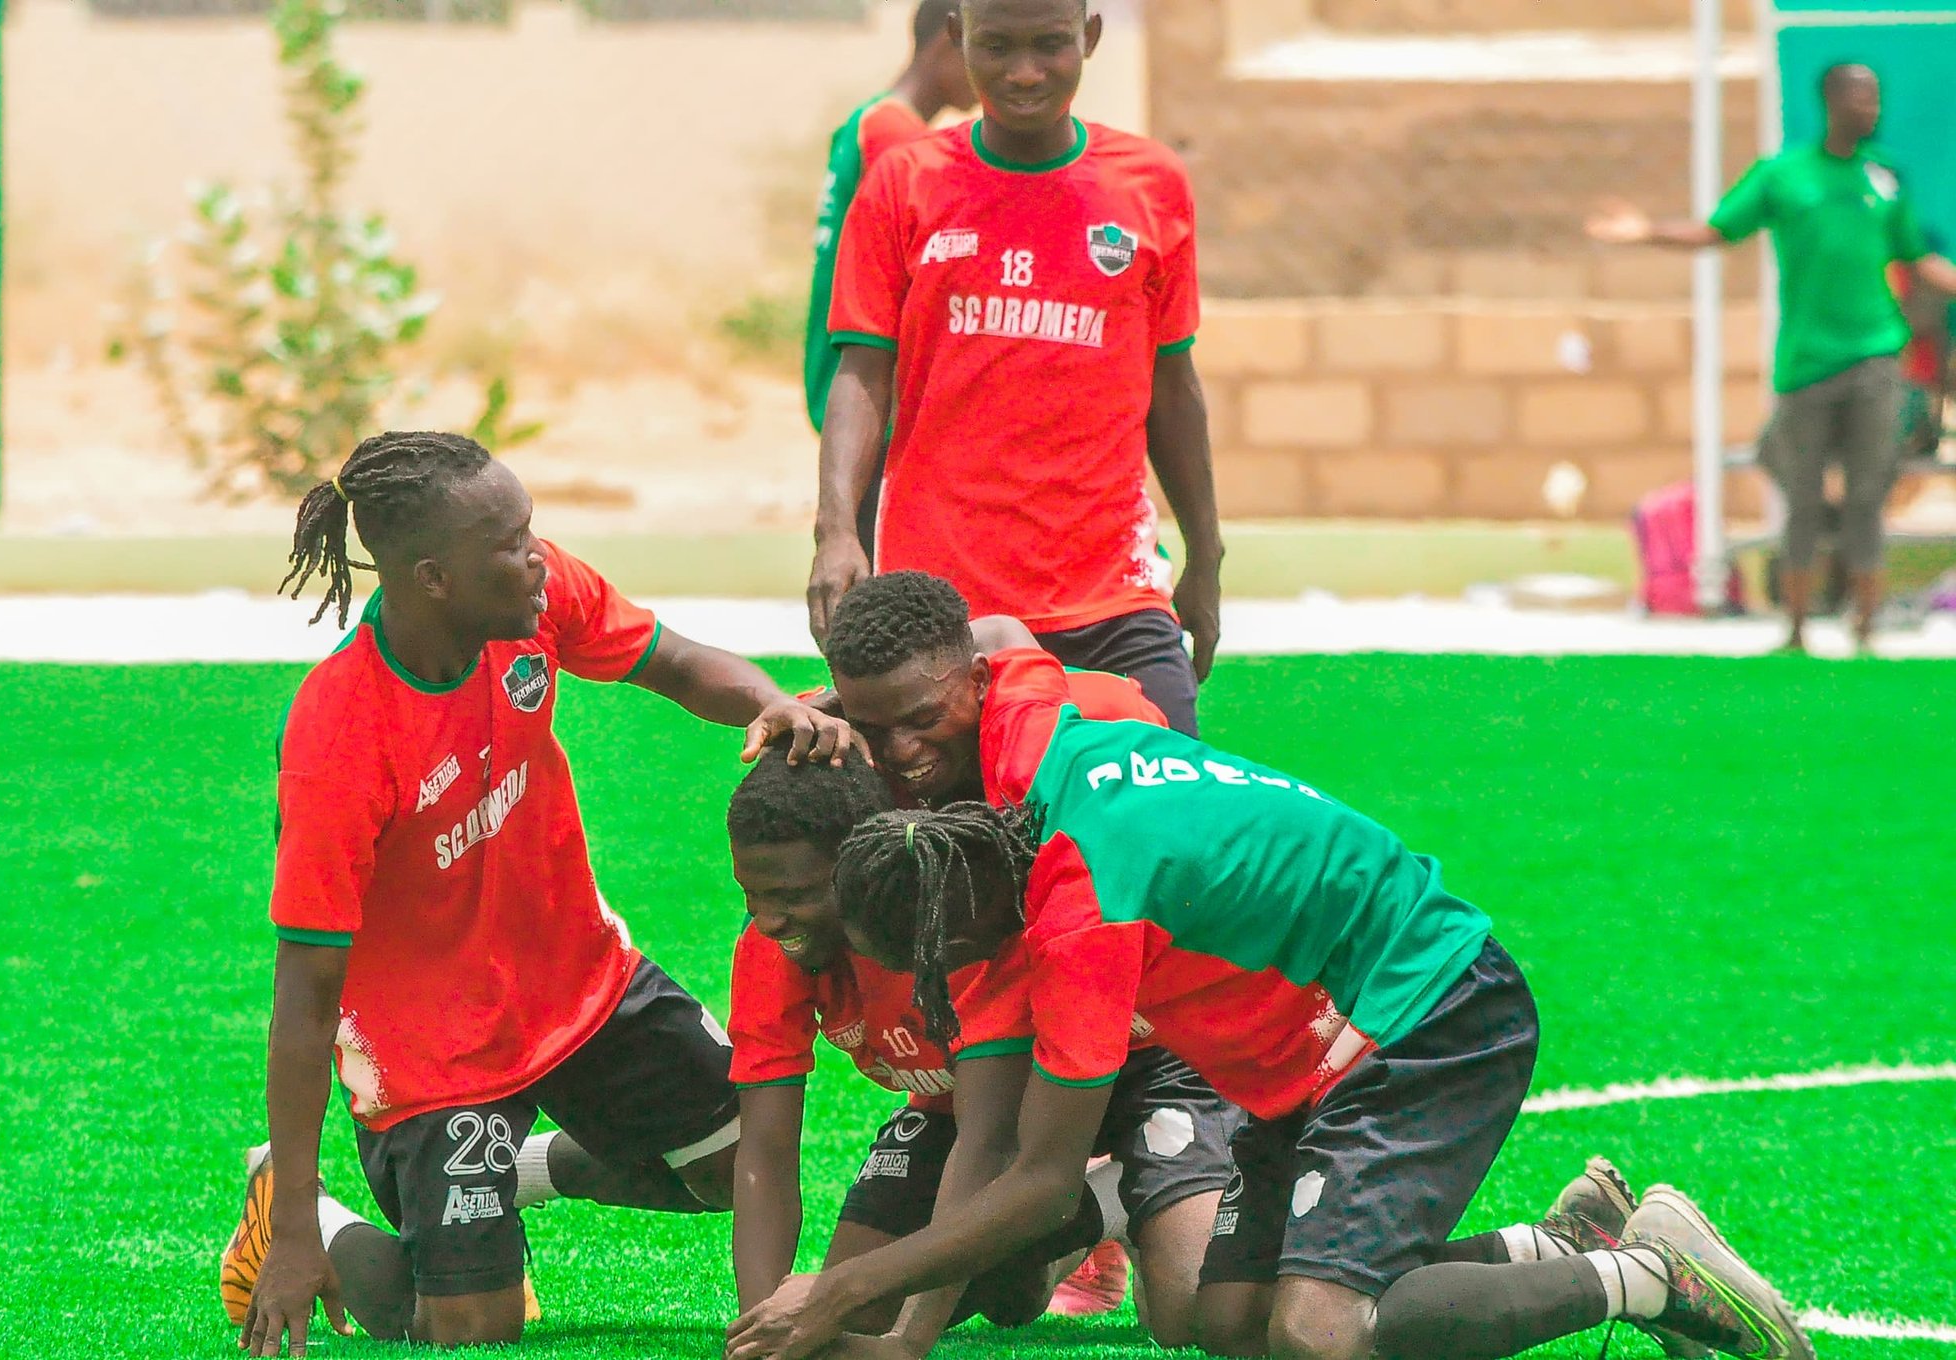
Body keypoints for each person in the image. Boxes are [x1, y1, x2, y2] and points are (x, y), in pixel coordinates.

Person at [726, 575, 1814, 1360]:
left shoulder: (1075, 902)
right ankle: (1557, 1243)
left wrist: (843, 1291)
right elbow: (999, 630)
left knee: (1317, 1332)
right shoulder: (1009, 738)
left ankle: (1647, 1274)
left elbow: (1038, 1178)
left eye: (918, 721)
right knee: (1225, 1322)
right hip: (1295, 1049)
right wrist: (823, 709)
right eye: (877, 730)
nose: (900, 752)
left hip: (1421, 1001)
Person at [223, 431, 858, 1357]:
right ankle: (307, 1209)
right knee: (472, 1329)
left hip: (579, 983)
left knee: (738, 1159)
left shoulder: (533, 595)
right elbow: (307, 995)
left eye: (529, 533)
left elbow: (677, 663)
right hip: (432, 1054)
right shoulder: (339, 734)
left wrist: (773, 702)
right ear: (434, 579)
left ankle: (519, 1168)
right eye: (511, 546)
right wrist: (292, 1237)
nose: (537, 559)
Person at [727, 666, 1239, 1349]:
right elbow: (765, 1149)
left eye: (792, 895)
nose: (767, 920)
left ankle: (1112, 1198)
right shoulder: (772, 950)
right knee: (920, 1305)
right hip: (978, 1108)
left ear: (861, 865)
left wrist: (909, 1341)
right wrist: (762, 1328)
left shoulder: (956, 927)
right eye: (751, 894)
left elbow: (987, 1142)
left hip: (1142, 1067)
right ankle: (1055, 1233)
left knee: (1187, 1316)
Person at [806, 0, 1222, 735]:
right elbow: (861, 372)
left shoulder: (1152, 183)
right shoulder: (904, 181)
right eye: (997, 45)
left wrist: (1205, 551)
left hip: (1114, 594)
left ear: (1089, 37)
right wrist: (837, 531)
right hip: (943, 605)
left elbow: (1173, 384)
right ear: (958, 37)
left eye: (1050, 44)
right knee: (939, 809)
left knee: (1163, 792)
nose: (1025, 72)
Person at [1590, 61, 1956, 653]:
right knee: (1802, 498)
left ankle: (1865, 631)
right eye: (1860, 99)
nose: (1871, 110)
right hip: (1807, 364)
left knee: (1867, 495)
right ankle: (1796, 630)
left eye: (1875, 99)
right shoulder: (1783, 176)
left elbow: (1917, 259)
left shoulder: (1883, 178)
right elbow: (1717, 231)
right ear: (1832, 102)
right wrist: (1646, 232)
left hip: (1875, 358)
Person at [805, 0, 979, 559]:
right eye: (987, 48)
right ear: (948, 42)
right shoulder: (897, 140)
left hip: (845, 375)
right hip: (877, 395)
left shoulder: (867, 120)